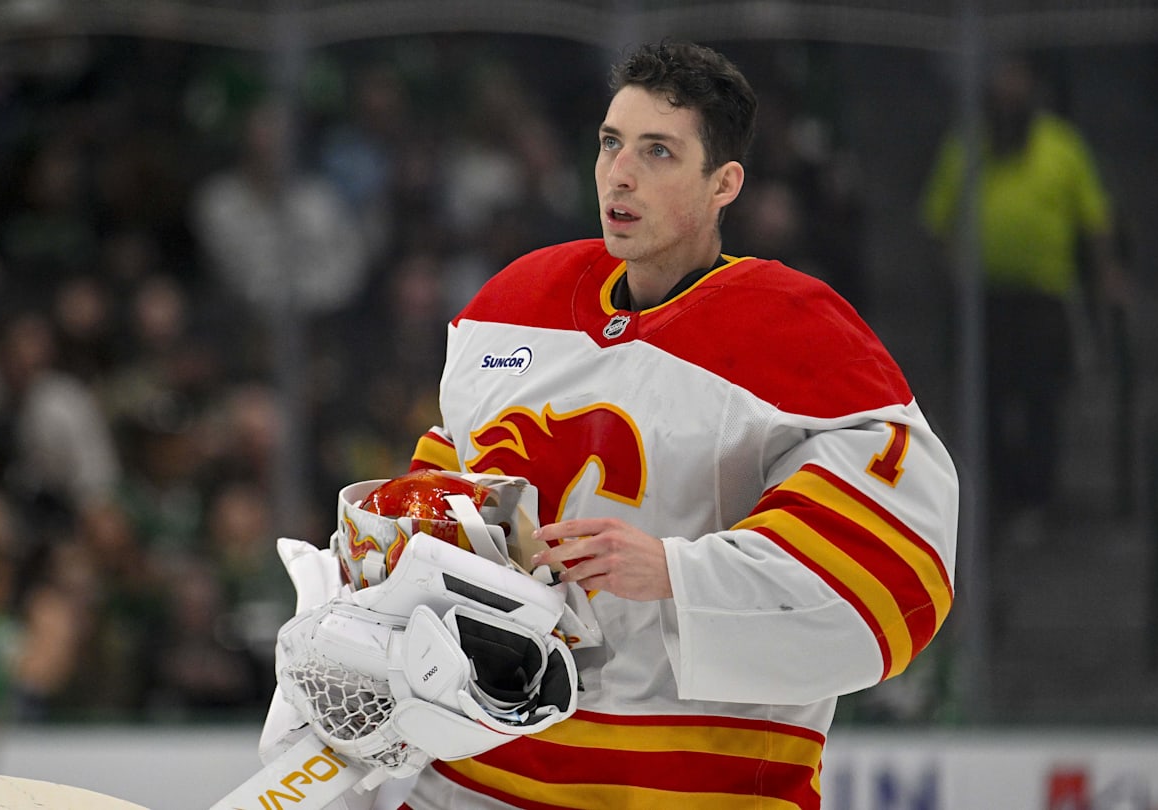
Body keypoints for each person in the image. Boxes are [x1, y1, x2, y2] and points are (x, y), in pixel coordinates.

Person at [382, 40, 959, 809]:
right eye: (611, 143)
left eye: (658, 151)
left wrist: (679, 573)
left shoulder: (803, 339)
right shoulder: (511, 307)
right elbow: (437, 499)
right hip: (474, 778)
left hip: (694, 789)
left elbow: (897, 578)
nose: (620, 173)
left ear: (724, 183)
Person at [921, 53, 1122, 546]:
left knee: (1040, 402)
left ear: (1033, 85)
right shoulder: (968, 144)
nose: (1008, 90)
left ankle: (1035, 499)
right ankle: (998, 501)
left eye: (1017, 78)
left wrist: (1107, 273)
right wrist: (953, 272)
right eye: (1000, 78)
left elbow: (1093, 218)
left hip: (1043, 299)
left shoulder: (1061, 145)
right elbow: (937, 216)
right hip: (983, 301)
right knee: (983, 402)